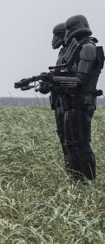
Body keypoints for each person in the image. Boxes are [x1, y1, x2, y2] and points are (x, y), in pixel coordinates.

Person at [53, 15, 103, 181]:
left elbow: (80, 80)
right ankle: (77, 181)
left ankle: (88, 182)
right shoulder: (77, 49)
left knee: (81, 145)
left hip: (82, 103)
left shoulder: (88, 47)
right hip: (72, 103)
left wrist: (55, 81)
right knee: (70, 144)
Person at [46, 22, 68, 170]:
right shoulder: (63, 52)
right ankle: (71, 170)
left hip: (68, 101)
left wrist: (53, 80)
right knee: (64, 137)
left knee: (73, 141)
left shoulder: (73, 52)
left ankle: (77, 175)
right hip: (59, 101)